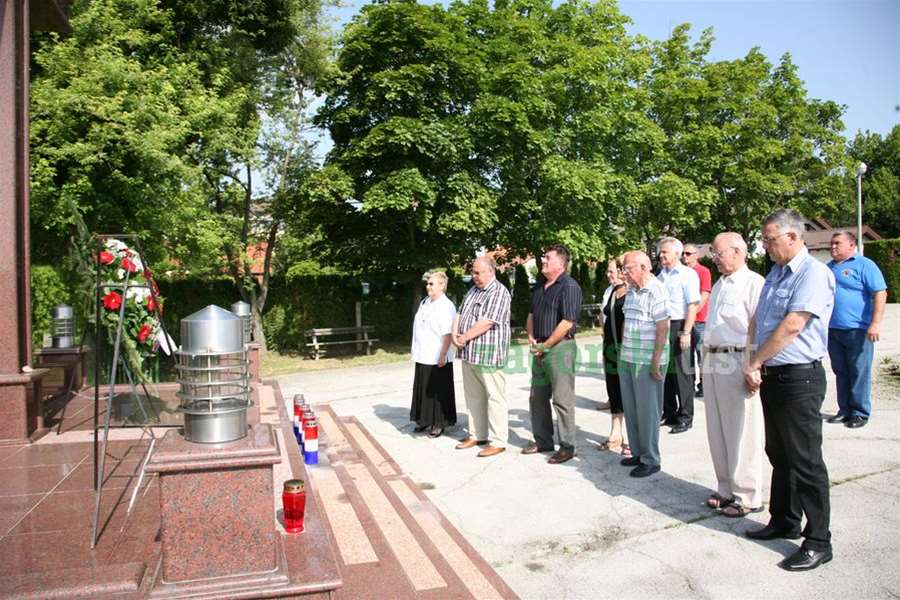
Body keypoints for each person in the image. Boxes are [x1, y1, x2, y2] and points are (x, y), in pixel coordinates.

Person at [743, 208, 835, 572]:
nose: (764, 246)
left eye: (769, 239)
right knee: (779, 453)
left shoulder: (813, 274)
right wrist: (756, 361)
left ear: (793, 237)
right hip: (774, 374)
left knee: (806, 460)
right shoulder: (776, 274)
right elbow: (760, 322)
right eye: (764, 239)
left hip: (800, 377)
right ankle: (784, 519)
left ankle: (818, 540)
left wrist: (753, 363)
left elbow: (793, 325)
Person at [703, 233, 765, 517]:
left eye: (718, 253)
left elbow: (758, 330)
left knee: (743, 429)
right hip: (712, 357)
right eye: (714, 254)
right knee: (717, 427)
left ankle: (747, 495)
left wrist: (753, 366)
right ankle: (726, 487)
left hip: (737, 357)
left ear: (738, 251)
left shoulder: (754, 283)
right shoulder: (720, 284)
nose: (714, 258)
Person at [522, 245, 583, 465]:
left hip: (560, 349)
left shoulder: (569, 286)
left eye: (547, 258)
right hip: (539, 347)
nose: (543, 260)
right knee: (537, 397)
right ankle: (543, 441)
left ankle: (568, 446)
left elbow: (567, 322)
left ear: (560, 263)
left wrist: (546, 345)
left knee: (562, 399)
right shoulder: (539, 285)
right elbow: (531, 314)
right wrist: (531, 337)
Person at [826, 231, 888, 429]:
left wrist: (875, 323)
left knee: (858, 371)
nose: (833, 247)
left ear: (852, 245)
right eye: (832, 243)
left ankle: (860, 412)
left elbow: (880, 293)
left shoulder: (864, 265)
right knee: (841, 371)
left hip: (858, 330)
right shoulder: (828, 268)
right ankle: (844, 410)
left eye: (837, 243)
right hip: (833, 329)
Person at [452, 256, 512, 458]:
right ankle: (477, 435)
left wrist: (465, 336)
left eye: (478, 273)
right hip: (469, 352)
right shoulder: (472, 290)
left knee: (495, 397)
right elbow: (460, 313)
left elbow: (487, 321)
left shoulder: (499, 292)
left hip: (488, 353)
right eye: (473, 272)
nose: (474, 276)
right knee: (473, 396)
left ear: (491, 271)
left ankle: (498, 440)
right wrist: (454, 335)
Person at [618, 251, 669, 478]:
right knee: (632, 409)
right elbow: (626, 323)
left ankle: (651, 459)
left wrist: (656, 360)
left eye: (628, 268)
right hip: (628, 358)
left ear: (644, 267)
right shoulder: (630, 290)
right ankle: (638, 452)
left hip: (647, 360)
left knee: (648, 412)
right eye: (624, 268)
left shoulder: (656, 289)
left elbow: (663, 326)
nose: (624, 272)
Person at [656, 237, 701, 434]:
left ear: (676, 253)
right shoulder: (659, 277)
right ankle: (670, 412)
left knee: (683, 373)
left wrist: (686, 332)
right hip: (663, 326)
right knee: (666, 373)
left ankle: (685, 417)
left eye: (665, 252)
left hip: (680, 324)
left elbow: (692, 304)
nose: (661, 255)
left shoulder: (687, 275)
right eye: (660, 252)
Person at [409, 271, 457, 438]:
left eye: (432, 284)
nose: (428, 286)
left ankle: (439, 422)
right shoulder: (425, 302)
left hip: (438, 355)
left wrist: (443, 354)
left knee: (438, 391)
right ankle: (424, 419)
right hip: (423, 353)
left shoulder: (446, 306)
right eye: (427, 283)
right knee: (422, 388)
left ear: (442, 286)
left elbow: (447, 333)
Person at [598, 257, 630, 456]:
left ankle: (634, 437)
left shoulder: (633, 292)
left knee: (631, 394)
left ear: (622, 271)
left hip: (628, 350)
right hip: (611, 348)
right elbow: (603, 317)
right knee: (614, 390)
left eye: (611, 271)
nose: (608, 275)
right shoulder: (610, 292)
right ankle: (615, 434)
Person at [682, 243, 712, 397]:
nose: (684, 256)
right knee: (687, 356)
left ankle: (704, 385)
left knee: (701, 354)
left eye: (688, 253)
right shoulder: (681, 273)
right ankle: (689, 384)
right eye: (683, 253)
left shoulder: (703, 272)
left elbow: (704, 295)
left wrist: (692, 314)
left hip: (699, 320)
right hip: (685, 320)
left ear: (696, 255)